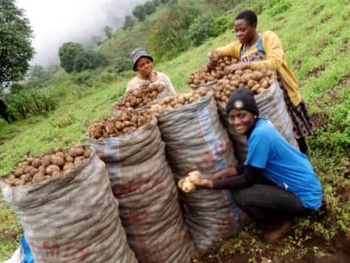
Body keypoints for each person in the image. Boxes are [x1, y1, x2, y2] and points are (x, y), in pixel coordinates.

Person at [193, 88, 323, 243]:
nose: (237, 122)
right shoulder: (262, 125)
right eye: (232, 117)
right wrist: (228, 172)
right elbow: (254, 164)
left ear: (253, 113)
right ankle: (283, 212)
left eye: (242, 115)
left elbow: (247, 178)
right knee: (254, 179)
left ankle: (278, 225)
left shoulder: (260, 135)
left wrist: (210, 184)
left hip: (306, 198)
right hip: (306, 186)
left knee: (242, 195)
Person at [207, 10, 313, 155]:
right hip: (263, 99)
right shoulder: (240, 46)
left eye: (242, 30)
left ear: (254, 26)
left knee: (292, 129)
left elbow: (275, 62)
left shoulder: (267, 38)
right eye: (236, 31)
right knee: (277, 131)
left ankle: (304, 160)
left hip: (282, 93)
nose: (238, 34)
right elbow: (219, 51)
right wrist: (212, 56)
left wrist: (245, 65)